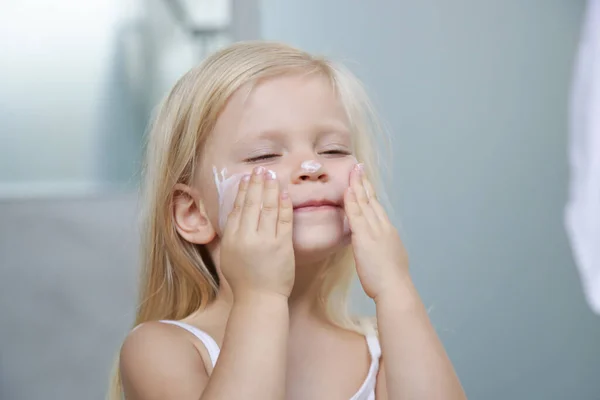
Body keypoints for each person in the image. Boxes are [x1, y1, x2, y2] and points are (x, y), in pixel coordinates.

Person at [108, 41, 466, 400]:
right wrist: (261, 298)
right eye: (264, 155)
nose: (312, 167)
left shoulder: (386, 346)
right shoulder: (163, 349)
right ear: (193, 213)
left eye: (333, 150)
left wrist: (395, 287)